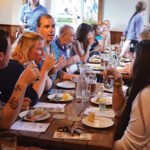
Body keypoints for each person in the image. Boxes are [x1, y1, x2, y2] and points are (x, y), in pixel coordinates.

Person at [104, 40, 150, 149]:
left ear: (142, 64)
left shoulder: (146, 95)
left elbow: (128, 147)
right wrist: (117, 82)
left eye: (133, 58)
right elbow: (119, 111)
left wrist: (99, 146)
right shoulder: (142, 88)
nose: (130, 62)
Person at [0, 32, 56, 106]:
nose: (43, 53)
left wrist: (46, 72)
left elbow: (48, 87)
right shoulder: (13, 67)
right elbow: (32, 99)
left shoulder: (33, 65)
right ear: (26, 50)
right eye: (40, 49)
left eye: (44, 49)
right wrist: (44, 71)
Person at [0, 30, 40, 129]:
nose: (10, 56)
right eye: (9, 51)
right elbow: (4, 123)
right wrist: (22, 82)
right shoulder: (15, 67)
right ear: (1, 56)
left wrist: (17, 105)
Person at [37, 14, 67, 80]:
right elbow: (37, 79)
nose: (51, 30)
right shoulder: (36, 49)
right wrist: (55, 69)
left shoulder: (54, 46)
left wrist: (74, 77)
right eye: (47, 27)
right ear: (38, 29)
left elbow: (58, 73)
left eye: (53, 26)